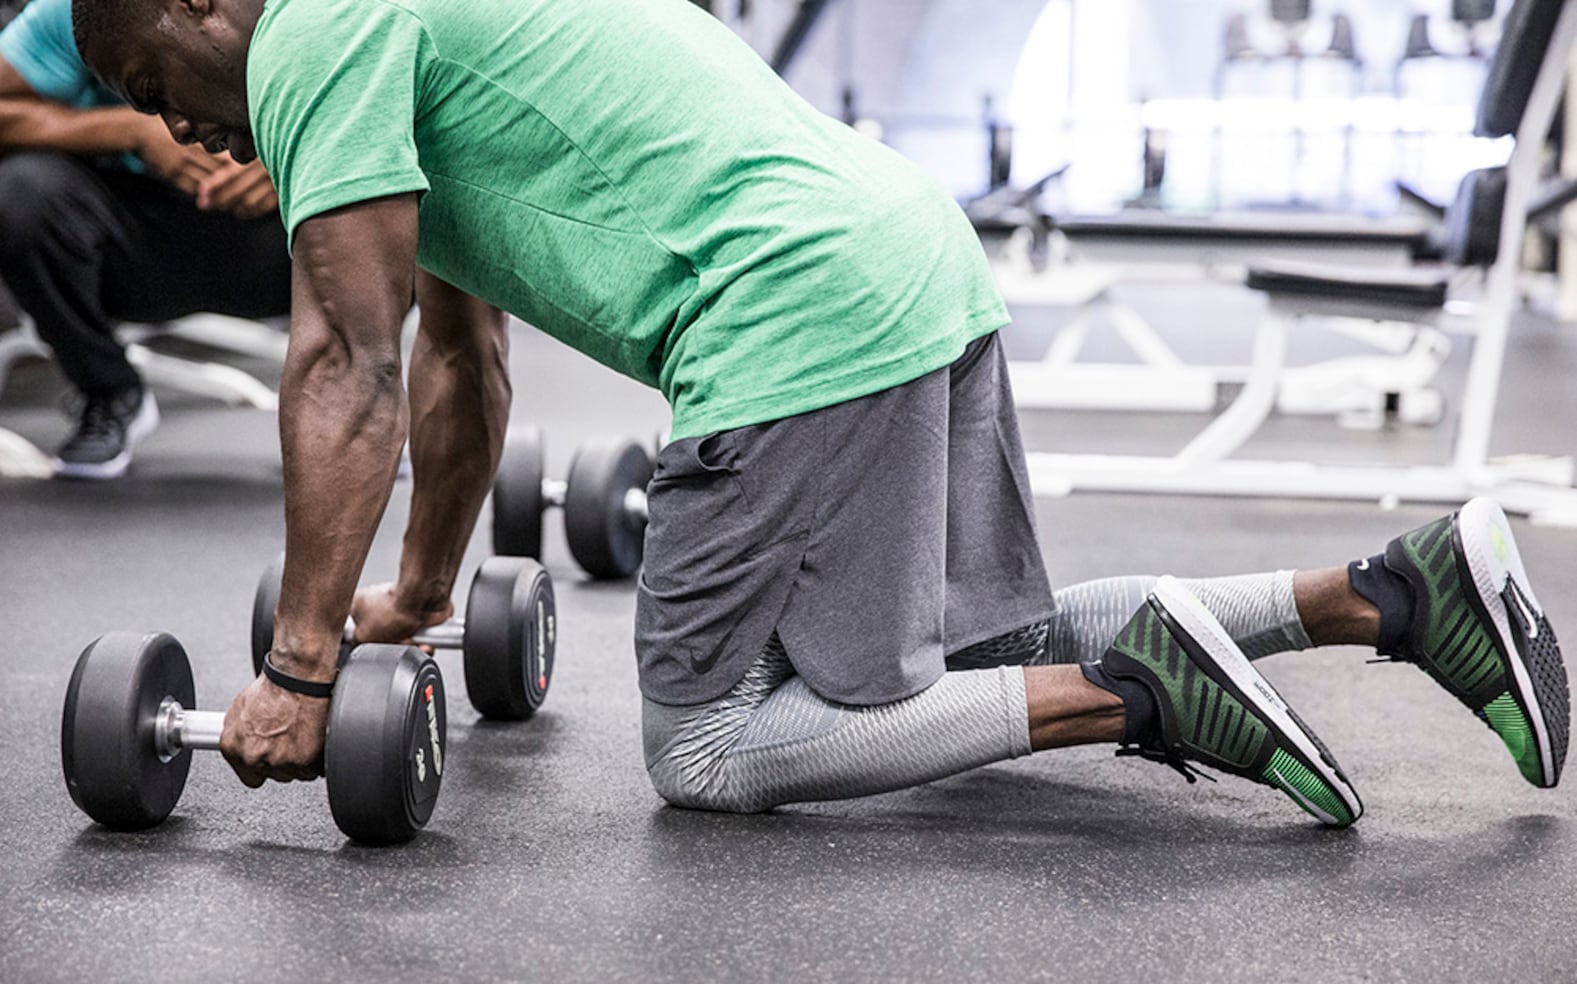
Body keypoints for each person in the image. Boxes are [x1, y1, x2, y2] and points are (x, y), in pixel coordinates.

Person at [73, 0, 1568, 826]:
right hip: (898, 251)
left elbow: (345, 365)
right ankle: (1389, 591)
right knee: (962, 656)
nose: (174, 125)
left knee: (709, 751)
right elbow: (459, 362)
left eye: (154, 77)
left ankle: (1135, 696)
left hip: (785, 313)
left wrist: (301, 665)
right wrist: (417, 595)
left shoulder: (318, 37)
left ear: (211, 2)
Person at [0, 0, 289, 478]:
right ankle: (108, 389)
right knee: (20, 192)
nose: (179, 128)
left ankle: (367, 406)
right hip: (134, 244)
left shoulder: (298, 12)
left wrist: (292, 157)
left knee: (399, 199)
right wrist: (129, 130)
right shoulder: (79, 13)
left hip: (274, 241)